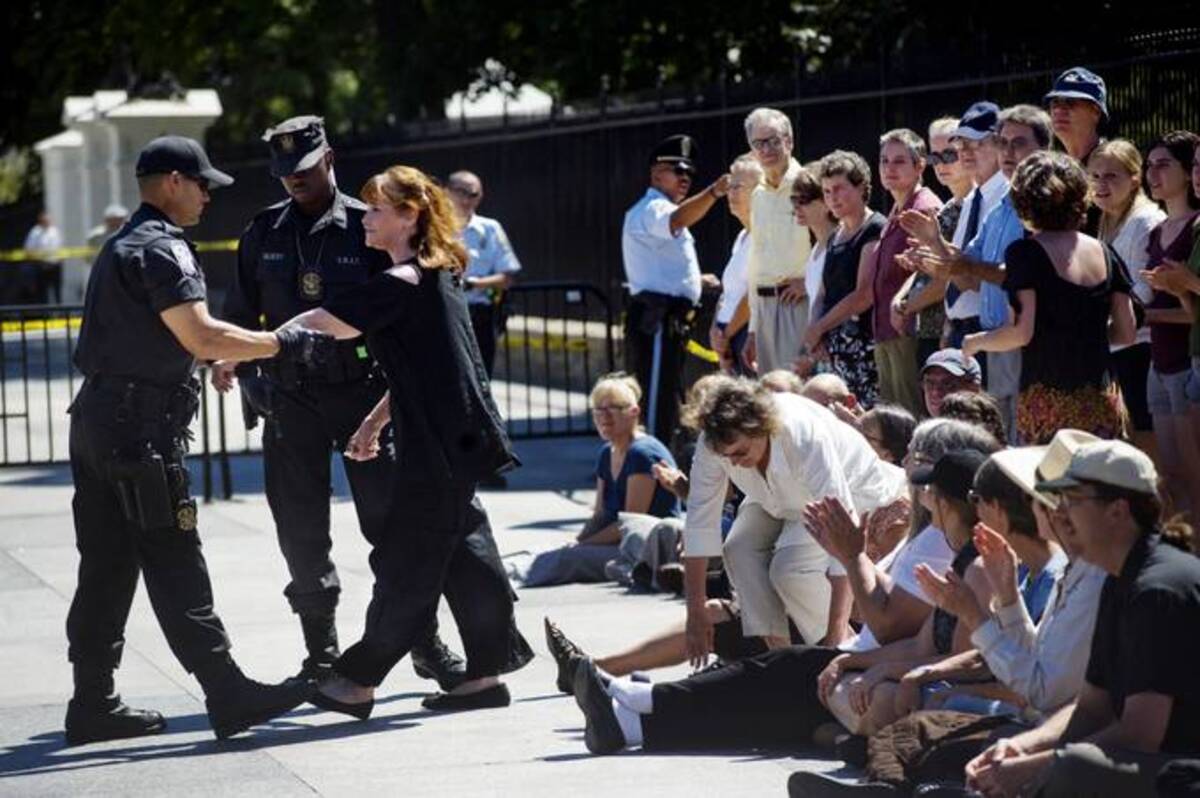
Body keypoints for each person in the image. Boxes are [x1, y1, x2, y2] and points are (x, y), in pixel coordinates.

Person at [65, 135, 329, 744]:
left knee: (105, 568)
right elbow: (201, 335)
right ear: (171, 182)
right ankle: (227, 690)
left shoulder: (123, 243)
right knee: (176, 560)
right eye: (202, 183)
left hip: (100, 425)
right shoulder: (161, 249)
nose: (209, 195)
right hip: (141, 436)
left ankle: (92, 703)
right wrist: (282, 343)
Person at [214, 116, 465, 689]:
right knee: (300, 532)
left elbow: (403, 315)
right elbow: (241, 314)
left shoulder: (367, 224)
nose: (292, 182)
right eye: (283, 174)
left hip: (361, 395)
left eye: (302, 170)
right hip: (289, 400)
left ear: (328, 157)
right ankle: (321, 656)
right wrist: (234, 363)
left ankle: (421, 642)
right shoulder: (263, 232)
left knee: (393, 529)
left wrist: (385, 406)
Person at [282, 164, 534, 716]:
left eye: (375, 209)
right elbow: (420, 370)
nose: (364, 218)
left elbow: (327, 322)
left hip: (439, 450)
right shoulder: (435, 272)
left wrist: (248, 346)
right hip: (453, 440)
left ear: (409, 215)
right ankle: (485, 674)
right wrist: (374, 422)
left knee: (409, 562)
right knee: (468, 554)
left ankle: (357, 678)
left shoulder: (405, 281)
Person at [792, 432, 1104, 797]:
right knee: (912, 723)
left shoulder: (1068, 575)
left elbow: (1036, 687)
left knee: (917, 724)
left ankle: (881, 777)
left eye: (979, 500)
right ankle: (879, 769)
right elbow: (1028, 666)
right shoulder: (1040, 570)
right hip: (1034, 717)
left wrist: (971, 624)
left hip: (1036, 721)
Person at [963, 441, 1200, 798]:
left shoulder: (1158, 589)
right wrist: (1024, 747)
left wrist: (1039, 764)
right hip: (1161, 767)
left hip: (1184, 770)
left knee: (1074, 769)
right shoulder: (1120, 579)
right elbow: (1090, 706)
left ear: (1118, 511)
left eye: (1071, 501)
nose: (1059, 514)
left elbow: (1141, 735)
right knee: (1015, 750)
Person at [680, 377, 907, 656]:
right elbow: (699, 521)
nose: (733, 462)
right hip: (775, 500)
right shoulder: (712, 442)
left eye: (739, 452)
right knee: (737, 549)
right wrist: (695, 612)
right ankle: (780, 657)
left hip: (852, 488)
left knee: (790, 570)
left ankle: (846, 651)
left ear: (761, 426)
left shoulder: (803, 436)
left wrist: (835, 633)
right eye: (725, 456)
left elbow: (843, 532)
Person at [961, 151, 1137, 443]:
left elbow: (1021, 332)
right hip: (1102, 400)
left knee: (1050, 486)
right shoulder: (1104, 252)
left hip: (1049, 404)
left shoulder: (1024, 253)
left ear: (1023, 201)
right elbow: (1127, 333)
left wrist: (975, 342)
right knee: (1101, 485)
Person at [510, 373, 680, 587]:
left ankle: (500, 583)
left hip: (645, 548)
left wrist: (582, 546)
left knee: (566, 559)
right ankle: (496, 573)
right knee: (546, 551)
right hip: (617, 542)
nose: (604, 416)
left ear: (633, 412)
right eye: (598, 409)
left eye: (613, 408)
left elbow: (631, 525)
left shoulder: (642, 453)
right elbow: (600, 514)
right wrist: (578, 540)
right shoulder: (607, 452)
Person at [622, 134, 727, 441]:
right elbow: (677, 220)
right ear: (656, 173)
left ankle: (657, 460)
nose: (685, 179)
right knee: (656, 397)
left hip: (670, 319)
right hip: (657, 318)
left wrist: (696, 280)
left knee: (667, 394)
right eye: (678, 171)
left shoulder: (660, 209)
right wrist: (714, 192)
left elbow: (662, 262)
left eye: (690, 174)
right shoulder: (653, 208)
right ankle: (650, 466)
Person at [1090, 139, 1167, 458]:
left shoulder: (1145, 221)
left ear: (1135, 178)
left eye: (1111, 176)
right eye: (1094, 176)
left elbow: (1143, 292)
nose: (1100, 184)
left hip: (1141, 351)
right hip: (1116, 346)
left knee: (1147, 447)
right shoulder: (1105, 220)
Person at [1143, 131, 1200, 516]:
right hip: (1157, 360)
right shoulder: (1154, 231)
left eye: (1164, 165)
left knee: (1193, 474)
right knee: (1169, 474)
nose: (1153, 173)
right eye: (1149, 165)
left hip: (1185, 358)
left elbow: (1191, 309)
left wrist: (1147, 315)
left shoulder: (1197, 226)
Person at [869, 129, 942, 414]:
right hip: (888, 334)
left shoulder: (925, 208)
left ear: (920, 165)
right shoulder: (898, 209)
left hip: (910, 333)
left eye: (899, 161)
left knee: (909, 421)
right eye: (884, 161)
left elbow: (938, 272)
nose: (889, 168)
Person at [805, 151, 886, 404]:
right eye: (827, 192)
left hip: (865, 347)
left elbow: (864, 294)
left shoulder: (874, 228)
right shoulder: (833, 236)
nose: (832, 198)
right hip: (833, 351)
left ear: (861, 187)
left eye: (839, 188)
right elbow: (823, 293)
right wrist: (815, 333)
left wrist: (819, 327)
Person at [892, 118, 969, 371]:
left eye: (949, 154)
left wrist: (908, 306)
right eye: (935, 157)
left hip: (953, 330)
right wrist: (902, 296)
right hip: (929, 329)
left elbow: (957, 272)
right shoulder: (948, 209)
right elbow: (931, 265)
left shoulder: (977, 207)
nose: (941, 164)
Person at [741, 108, 812, 374]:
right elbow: (757, 262)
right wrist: (752, 329)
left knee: (798, 395)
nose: (767, 149)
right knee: (771, 403)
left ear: (789, 141)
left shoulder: (808, 184)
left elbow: (829, 243)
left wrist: (809, 281)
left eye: (773, 140)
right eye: (759, 143)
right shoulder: (757, 194)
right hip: (763, 309)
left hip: (797, 305)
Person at [941, 103, 1005, 359]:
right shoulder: (972, 199)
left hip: (989, 330)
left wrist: (936, 243)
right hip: (961, 329)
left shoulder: (1006, 197)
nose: (965, 151)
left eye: (976, 143)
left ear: (999, 143)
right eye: (961, 144)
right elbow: (960, 266)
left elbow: (984, 273)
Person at [446, 169, 522, 377]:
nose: (468, 199)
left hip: (479, 313)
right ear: (446, 191)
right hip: (445, 314)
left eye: (474, 194)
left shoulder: (490, 228)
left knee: (481, 377)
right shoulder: (435, 229)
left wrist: (473, 284)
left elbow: (507, 277)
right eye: (462, 192)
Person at [710, 154, 761, 375]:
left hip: (744, 338)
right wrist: (715, 329)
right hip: (728, 338)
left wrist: (726, 334)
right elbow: (728, 292)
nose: (730, 193)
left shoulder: (765, 237)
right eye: (729, 186)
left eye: (737, 186)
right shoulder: (742, 237)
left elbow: (755, 292)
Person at [790, 161, 839, 378]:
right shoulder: (816, 249)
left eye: (804, 200)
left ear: (826, 202)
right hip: (819, 352)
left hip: (835, 349)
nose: (796, 207)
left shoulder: (838, 243)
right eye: (794, 200)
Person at [1045, 66, 1108, 166]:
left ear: (1096, 112)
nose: (1058, 110)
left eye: (1070, 102)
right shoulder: (1057, 169)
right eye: (1055, 102)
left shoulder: (1112, 165)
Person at [920, 348, 983, 418]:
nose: (935, 392)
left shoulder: (989, 426)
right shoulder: (920, 427)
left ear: (973, 388)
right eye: (930, 384)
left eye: (947, 384)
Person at [22, 209, 63, 303]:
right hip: (41, 266)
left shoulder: (55, 231)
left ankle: (60, 314)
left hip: (54, 265)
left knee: (57, 291)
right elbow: (28, 249)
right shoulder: (35, 232)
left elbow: (60, 247)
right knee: (42, 293)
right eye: (43, 219)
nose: (46, 221)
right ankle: (45, 315)